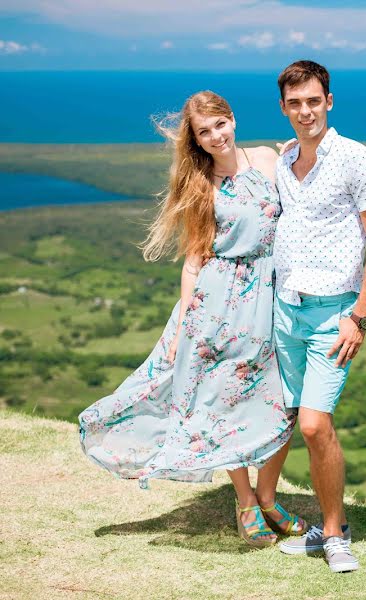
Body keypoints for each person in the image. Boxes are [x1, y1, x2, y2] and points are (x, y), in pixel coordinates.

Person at [78, 90, 305, 548]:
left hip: (273, 295)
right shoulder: (201, 185)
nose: (216, 136)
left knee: (285, 400)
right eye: (205, 132)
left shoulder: (266, 158)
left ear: (233, 120)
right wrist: (185, 326)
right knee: (225, 403)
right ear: (196, 140)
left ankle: (268, 494)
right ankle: (246, 502)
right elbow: (194, 260)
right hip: (219, 306)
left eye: (220, 124)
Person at [272, 60, 366, 572]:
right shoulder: (283, 159)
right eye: (295, 103)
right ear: (284, 108)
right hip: (284, 310)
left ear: (329, 101)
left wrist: (359, 317)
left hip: (334, 316)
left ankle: (334, 533)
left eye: (314, 101)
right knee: (283, 417)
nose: (306, 111)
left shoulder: (357, 159)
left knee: (315, 424)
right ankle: (262, 510)